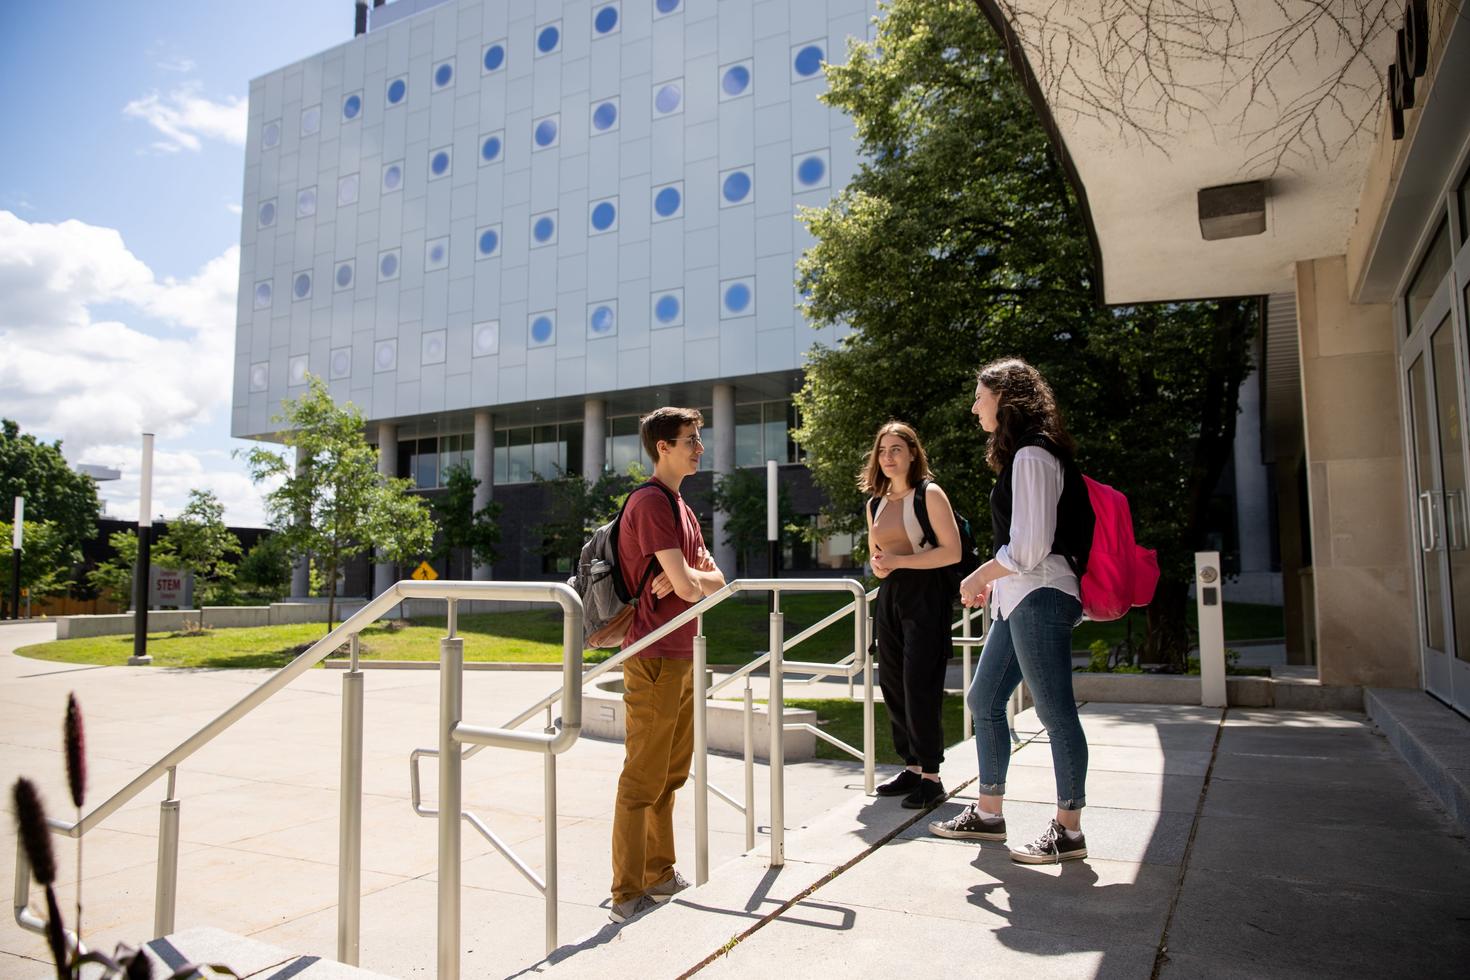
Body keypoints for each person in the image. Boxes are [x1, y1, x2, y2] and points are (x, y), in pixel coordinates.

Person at [929, 357, 1092, 863]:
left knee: (1054, 710)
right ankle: (989, 814)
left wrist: (980, 575)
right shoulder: (1023, 456)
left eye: (981, 396)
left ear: (1005, 399)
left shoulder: (1034, 456)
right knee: (983, 700)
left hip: (1041, 593)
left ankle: (1068, 830)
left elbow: (1028, 549)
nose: (975, 405)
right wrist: (994, 589)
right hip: (1018, 598)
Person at [609, 407, 727, 922]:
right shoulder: (652, 503)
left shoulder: (683, 507)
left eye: (699, 438)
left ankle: (658, 874)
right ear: (663, 447)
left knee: (672, 774)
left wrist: (690, 578)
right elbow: (688, 585)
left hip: (682, 652)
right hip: (654, 654)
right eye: (689, 440)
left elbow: (719, 584)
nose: (699, 446)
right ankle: (626, 891)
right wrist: (689, 579)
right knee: (643, 777)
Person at [863, 421, 962, 809]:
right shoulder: (875, 502)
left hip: (926, 594)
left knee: (919, 682)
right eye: (882, 450)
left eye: (896, 450)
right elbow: (876, 556)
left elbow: (951, 552)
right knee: (892, 681)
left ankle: (932, 777)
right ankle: (912, 765)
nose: (888, 457)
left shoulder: (930, 493)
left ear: (912, 454)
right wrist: (881, 567)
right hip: (891, 595)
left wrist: (900, 561)